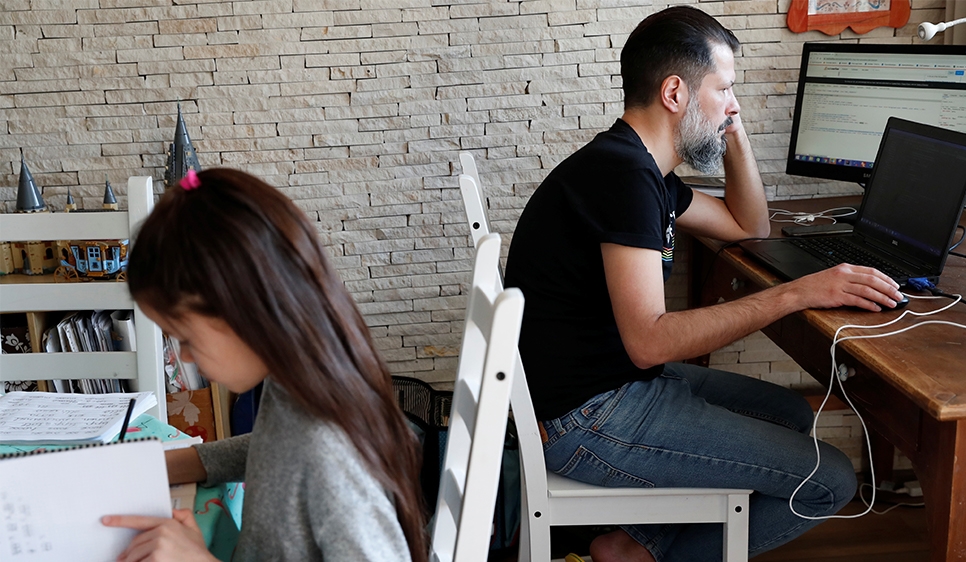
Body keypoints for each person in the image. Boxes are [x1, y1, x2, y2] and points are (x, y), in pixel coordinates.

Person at [503, 6, 905, 562]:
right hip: (586, 419)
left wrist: (726, 127)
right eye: (725, 88)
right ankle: (649, 556)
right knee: (830, 479)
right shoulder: (623, 179)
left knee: (789, 416)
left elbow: (750, 224)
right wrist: (798, 292)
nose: (734, 103)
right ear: (675, 93)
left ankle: (634, 542)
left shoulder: (644, 168)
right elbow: (651, 339)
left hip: (611, 387)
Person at [101, 168, 428, 562]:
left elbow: (310, 460)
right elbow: (276, 451)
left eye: (186, 338)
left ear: (245, 312)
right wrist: (171, 465)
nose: (184, 357)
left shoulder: (330, 453)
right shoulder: (297, 384)